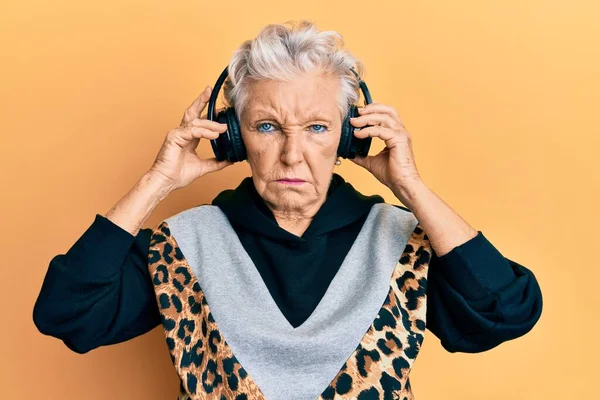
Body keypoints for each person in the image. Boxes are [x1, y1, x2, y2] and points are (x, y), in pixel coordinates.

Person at [33, 20, 543, 400]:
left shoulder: (405, 239)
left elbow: (507, 314)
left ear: (350, 135)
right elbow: (67, 314)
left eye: (318, 128)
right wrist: (156, 182)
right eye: (268, 127)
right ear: (235, 137)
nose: (292, 154)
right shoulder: (184, 246)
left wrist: (409, 186)